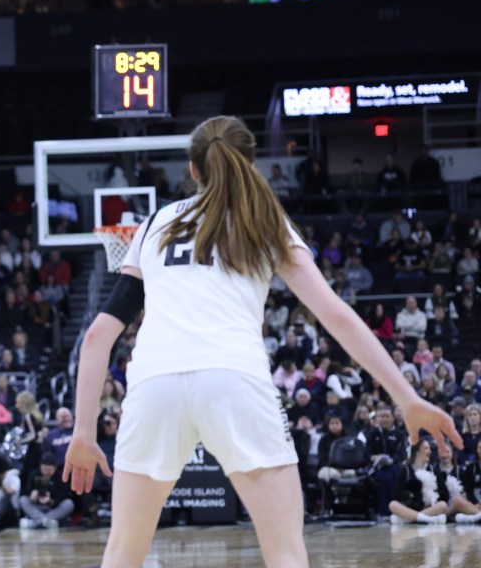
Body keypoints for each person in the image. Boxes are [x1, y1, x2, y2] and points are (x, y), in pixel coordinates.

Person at [62, 116, 459, 568]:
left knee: (122, 554)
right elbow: (335, 315)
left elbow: (97, 336)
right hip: (234, 379)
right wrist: (406, 397)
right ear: (250, 164)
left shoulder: (156, 223)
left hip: (154, 386)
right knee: (286, 553)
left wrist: (83, 432)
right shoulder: (263, 217)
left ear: (193, 169)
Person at [389, 439, 449, 524]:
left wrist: (431, 494)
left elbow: (445, 494)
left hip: (428, 508)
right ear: (417, 451)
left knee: (443, 505)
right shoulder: (406, 470)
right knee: (393, 504)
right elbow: (395, 494)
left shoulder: (433, 470)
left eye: (429, 448)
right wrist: (411, 494)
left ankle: (409, 519)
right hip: (410, 507)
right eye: (426, 448)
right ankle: (427, 519)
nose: (429, 451)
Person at [18, 453, 75, 529]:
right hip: (36, 508)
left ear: (55, 467)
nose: (47, 472)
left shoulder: (61, 477)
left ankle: (38, 522)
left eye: (49, 470)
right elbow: (27, 491)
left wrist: (51, 501)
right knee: (23, 499)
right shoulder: (34, 474)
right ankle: (46, 521)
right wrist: (33, 496)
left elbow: (62, 496)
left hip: (53, 509)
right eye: (44, 469)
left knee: (69, 503)